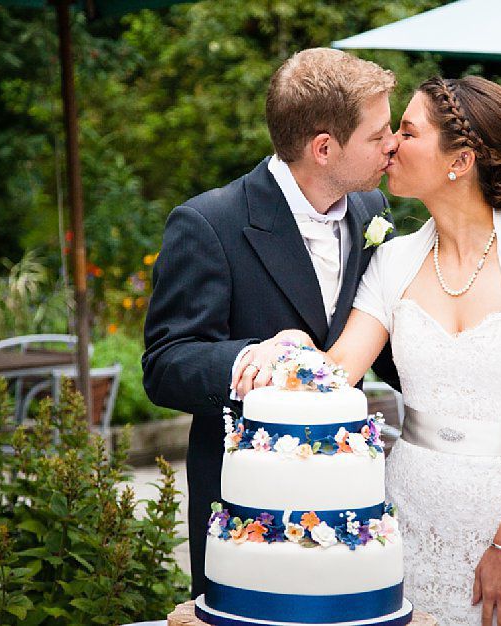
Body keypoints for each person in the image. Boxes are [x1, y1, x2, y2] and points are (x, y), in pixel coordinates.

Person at [237, 75, 501, 625]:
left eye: (407, 130)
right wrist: (295, 345)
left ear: (461, 160)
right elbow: (337, 372)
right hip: (409, 519)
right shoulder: (394, 259)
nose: (391, 144)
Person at [142, 48, 401, 599]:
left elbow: (379, 341)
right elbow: (165, 365)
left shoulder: (371, 209)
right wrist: (253, 358)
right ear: (324, 148)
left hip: (349, 505)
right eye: (379, 135)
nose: (393, 144)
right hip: (247, 511)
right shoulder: (209, 223)